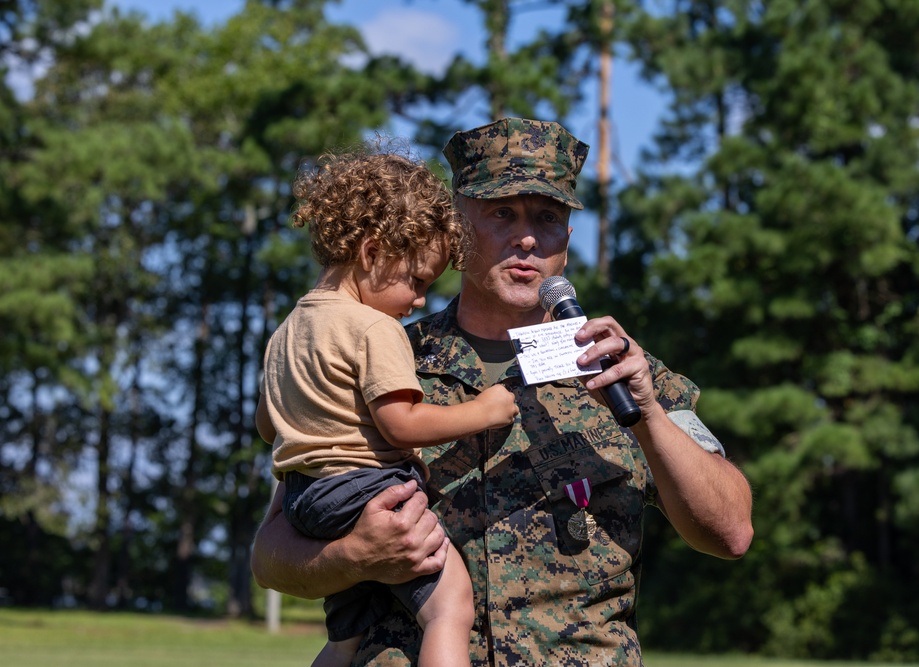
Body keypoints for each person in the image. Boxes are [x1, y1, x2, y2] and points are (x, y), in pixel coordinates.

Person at [252, 118, 754, 666]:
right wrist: (354, 555)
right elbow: (271, 555)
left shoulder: (620, 370)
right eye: (501, 213)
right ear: (456, 232)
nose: (528, 238)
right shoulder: (379, 353)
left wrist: (649, 416)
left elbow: (730, 532)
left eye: (549, 217)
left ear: (567, 237)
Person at [254, 149, 519, 667]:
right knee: (450, 608)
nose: (420, 300)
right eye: (417, 280)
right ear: (372, 253)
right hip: (365, 486)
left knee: (347, 636)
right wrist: (485, 411)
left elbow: (269, 425)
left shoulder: (287, 330)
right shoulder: (374, 327)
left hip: (307, 500)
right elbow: (401, 425)